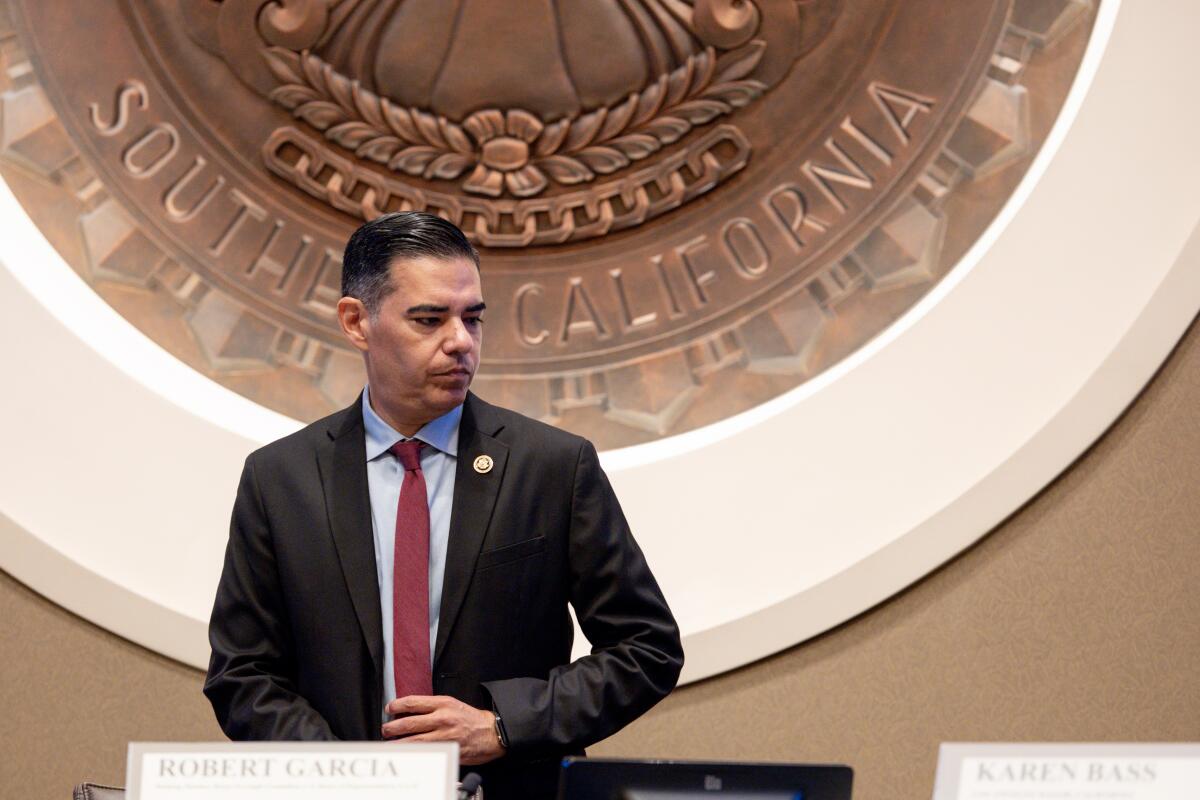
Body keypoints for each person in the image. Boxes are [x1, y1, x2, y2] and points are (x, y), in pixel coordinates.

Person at [204, 211, 684, 800]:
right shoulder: (280, 479)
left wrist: (504, 726)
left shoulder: (552, 466)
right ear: (357, 322)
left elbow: (647, 649)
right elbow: (243, 675)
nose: (460, 341)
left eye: (472, 318)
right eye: (429, 319)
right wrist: (345, 775)